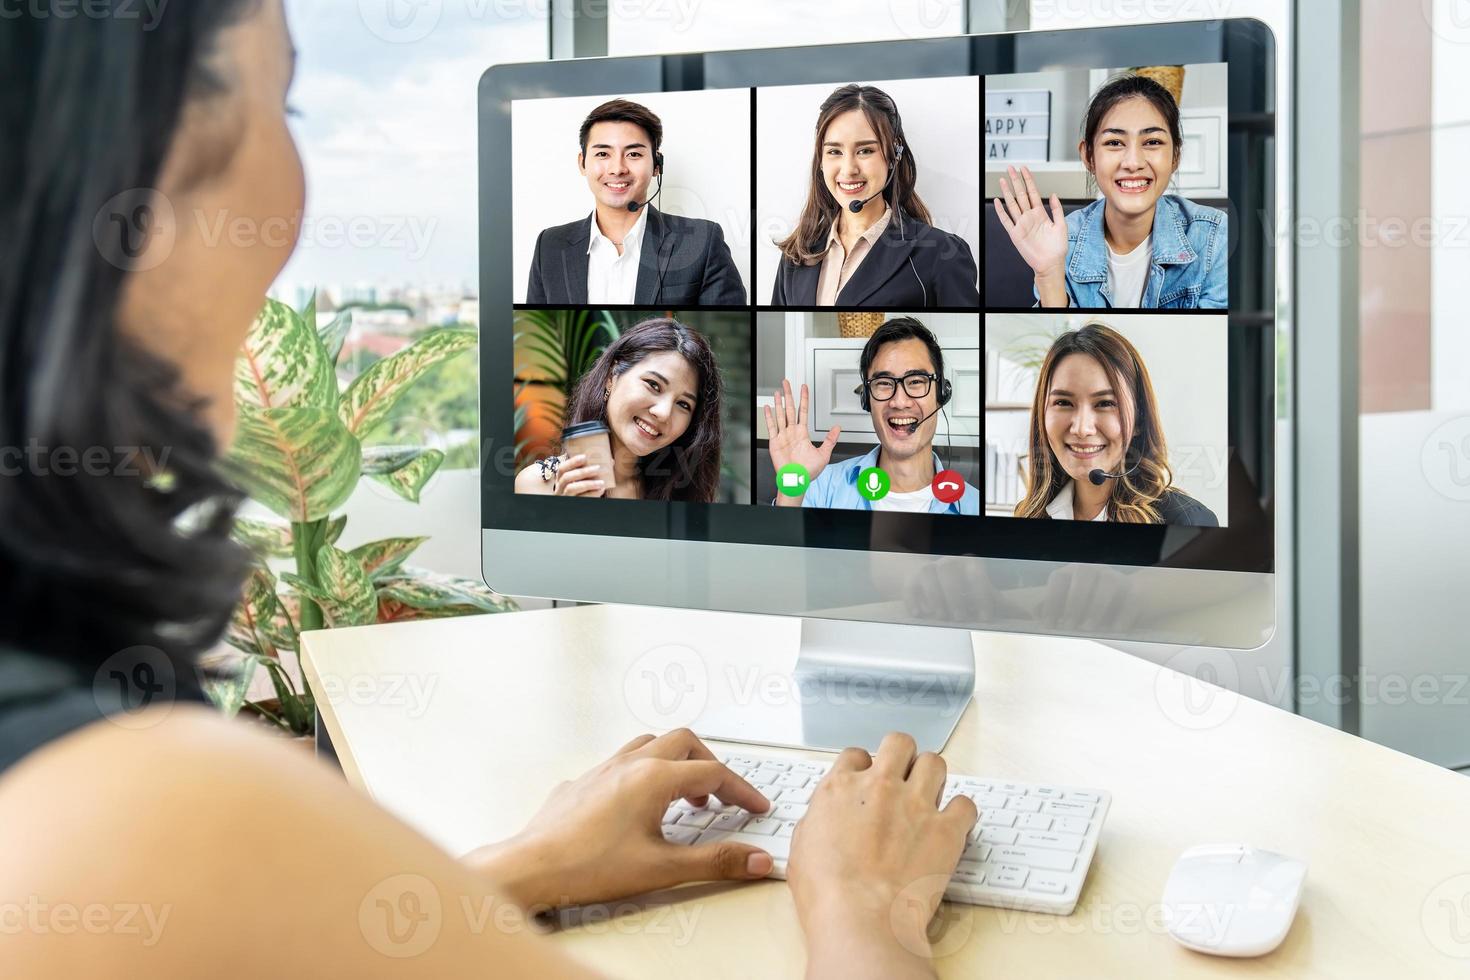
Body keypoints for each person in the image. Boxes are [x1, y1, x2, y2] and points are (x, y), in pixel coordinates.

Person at [0, 5, 977, 978]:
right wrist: (861, 909)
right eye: (288, 103)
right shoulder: (121, 816)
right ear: (147, 150)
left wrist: (523, 864)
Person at [993, 74, 1228, 310]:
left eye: (1152, 142)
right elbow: (1062, 339)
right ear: (1088, 156)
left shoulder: (1213, 236)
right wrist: (1049, 274)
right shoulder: (1060, 242)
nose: (1133, 162)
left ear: (1175, 155)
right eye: (1114, 142)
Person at [770, 85, 979, 308]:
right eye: (834, 152)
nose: (848, 169)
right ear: (820, 160)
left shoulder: (940, 254)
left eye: (865, 151)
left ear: (893, 155)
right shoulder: (797, 255)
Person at [525, 98, 747, 306]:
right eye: (603, 154)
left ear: (657, 165)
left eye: (633, 154)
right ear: (583, 163)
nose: (617, 168)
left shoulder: (702, 241)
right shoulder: (550, 245)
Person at [766, 317, 979, 515]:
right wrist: (790, 489)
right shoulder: (819, 486)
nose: (899, 402)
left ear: (942, 393)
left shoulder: (973, 505)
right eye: (884, 384)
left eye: (915, 381)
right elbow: (779, 555)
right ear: (867, 399)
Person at [1013, 323, 1219, 525]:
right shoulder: (1028, 514)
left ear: (1139, 419)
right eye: (1063, 402)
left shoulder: (1186, 521)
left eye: (1105, 403)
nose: (1081, 429)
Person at [514, 318, 724, 502]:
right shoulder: (536, 485)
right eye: (653, 385)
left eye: (683, 404)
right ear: (611, 377)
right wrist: (568, 515)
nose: (664, 412)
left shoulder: (686, 493)